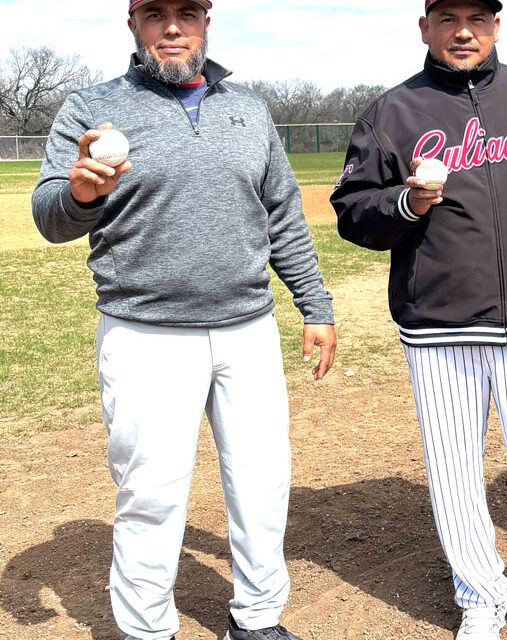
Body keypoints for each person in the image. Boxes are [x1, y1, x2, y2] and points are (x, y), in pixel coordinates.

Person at [31, 1, 336, 639]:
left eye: (187, 12)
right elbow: (50, 216)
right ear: (134, 25)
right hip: (144, 331)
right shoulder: (91, 109)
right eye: (156, 13)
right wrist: (81, 193)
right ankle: (147, 630)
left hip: (246, 328)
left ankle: (256, 620)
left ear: (206, 23)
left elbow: (281, 213)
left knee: (262, 485)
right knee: (151, 495)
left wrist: (315, 305)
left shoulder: (248, 108)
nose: (173, 27)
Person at [330, 1, 507, 638]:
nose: (462, 31)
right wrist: (405, 201)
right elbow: (353, 209)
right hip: (439, 322)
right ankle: (480, 593)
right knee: (453, 471)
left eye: (477, 18)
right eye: (447, 17)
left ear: (496, 27)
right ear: (424, 27)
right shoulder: (393, 111)